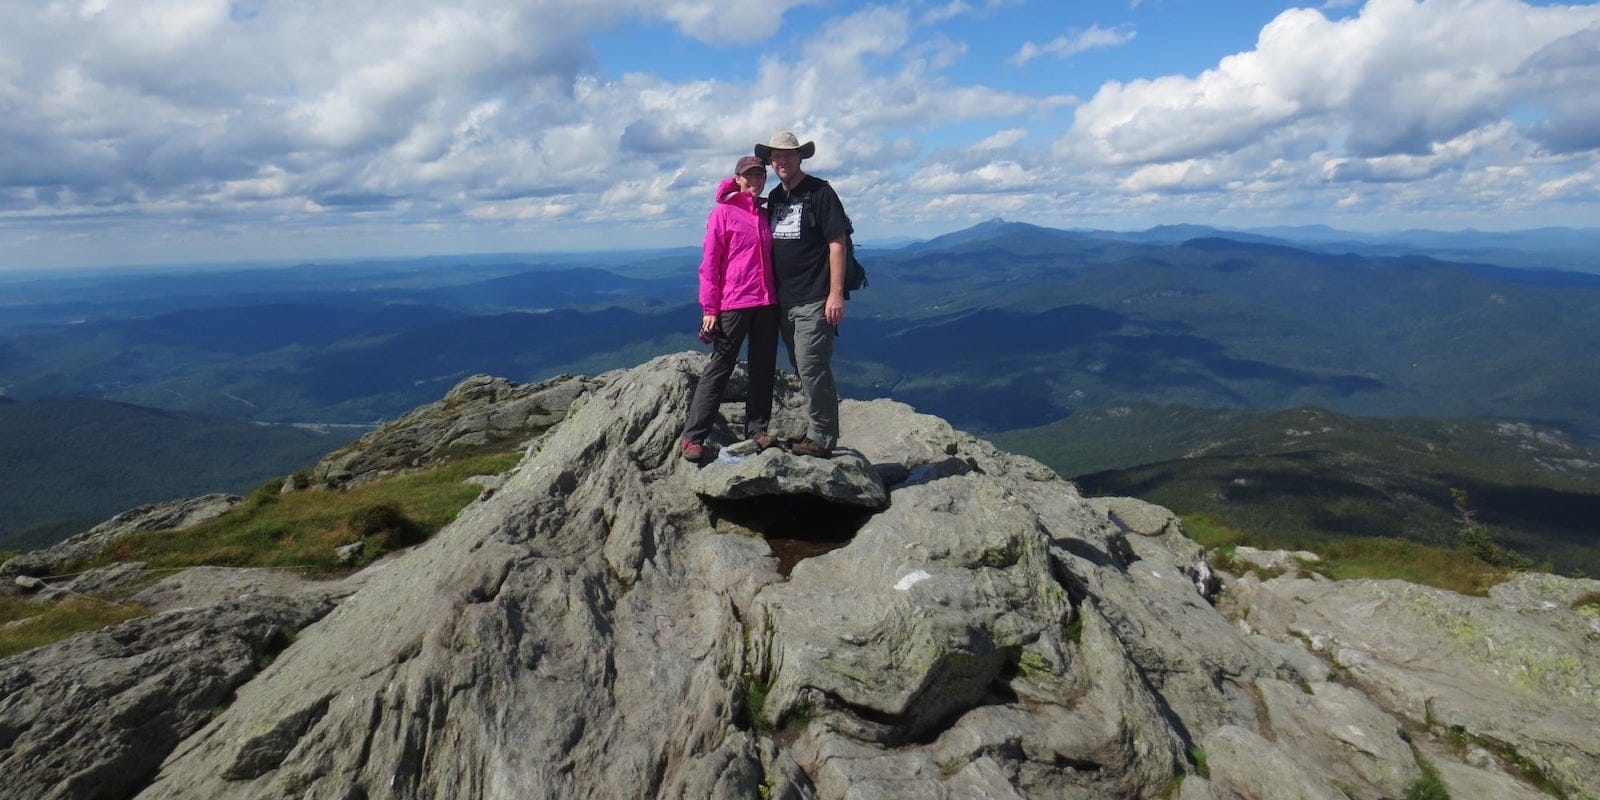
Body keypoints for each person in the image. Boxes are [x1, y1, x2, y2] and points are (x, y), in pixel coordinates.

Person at [679, 155, 780, 462]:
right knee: (720, 367)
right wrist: (710, 309)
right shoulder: (722, 213)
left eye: (760, 175)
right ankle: (693, 437)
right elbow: (709, 266)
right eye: (749, 175)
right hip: (734, 303)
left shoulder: (765, 213)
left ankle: (757, 431)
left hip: (766, 302)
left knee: (763, 368)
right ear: (737, 178)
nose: (755, 180)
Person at [755, 131, 850, 458]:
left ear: (800, 158)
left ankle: (821, 439)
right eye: (776, 156)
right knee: (805, 367)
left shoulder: (820, 192)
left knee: (811, 367)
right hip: (785, 300)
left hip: (814, 298)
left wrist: (835, 294)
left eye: (788, 155)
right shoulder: (776, 198)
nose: (782, 161)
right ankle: (820, 429)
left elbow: (837, 242)